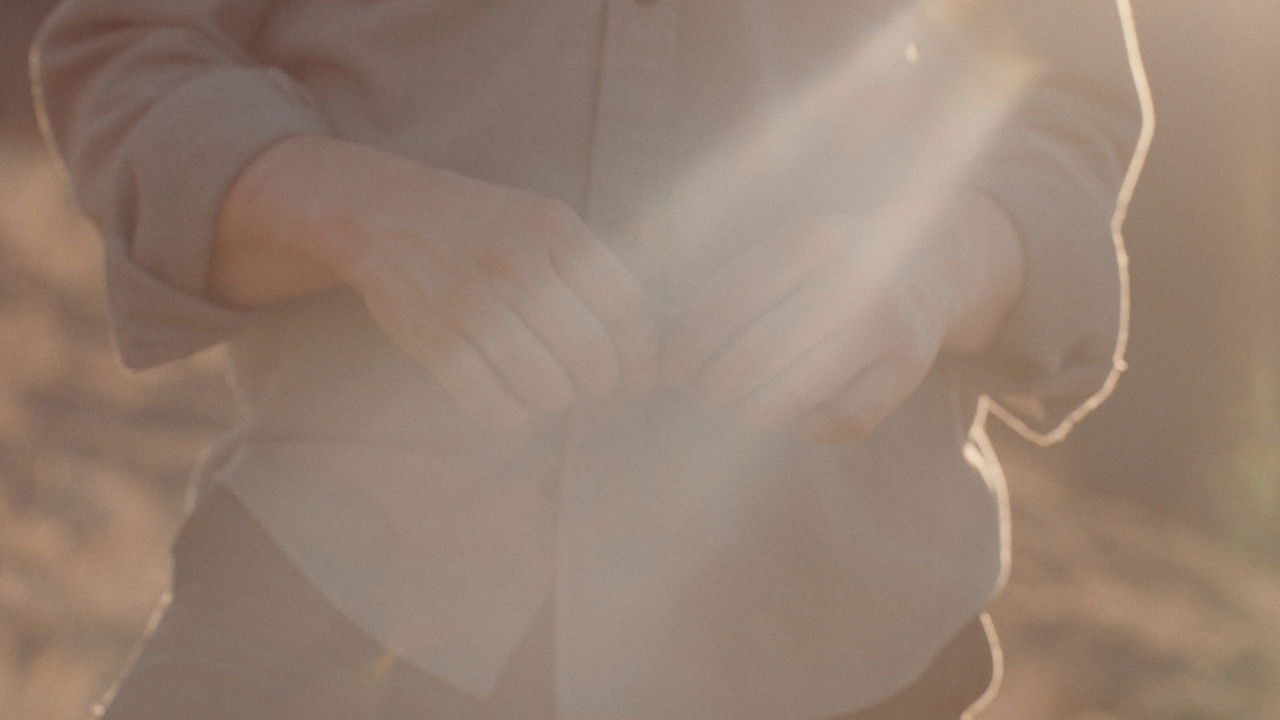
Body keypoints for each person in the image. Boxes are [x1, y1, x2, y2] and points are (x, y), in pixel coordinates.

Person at [31, 1, 1148, 718]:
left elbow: (1063, 104)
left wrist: (927, 268)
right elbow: (129, 51)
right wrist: (356, 212)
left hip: (835, 636)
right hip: (334, 584)